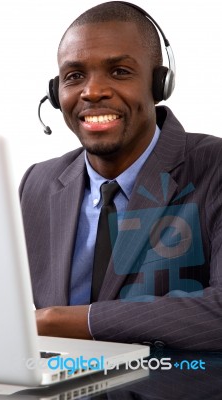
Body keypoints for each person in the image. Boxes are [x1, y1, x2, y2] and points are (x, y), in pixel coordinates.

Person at [19, 1, 222, 350]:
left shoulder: (213, 167)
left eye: (119, 72)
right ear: (56, 94)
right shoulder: (38, 183)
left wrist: (65, 321)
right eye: (74, 76)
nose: (92, 91)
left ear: (159, 84)